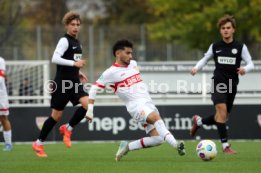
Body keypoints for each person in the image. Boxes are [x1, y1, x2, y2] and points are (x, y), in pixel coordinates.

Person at [85, 39, 185, 161]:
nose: (130, 56)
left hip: (148, 103)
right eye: (127, 53)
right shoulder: (110, 73)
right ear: (117, 53)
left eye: (131, 53)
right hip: (136, 107)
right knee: (155, 118)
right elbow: (93, 89)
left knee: (158, 139)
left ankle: (127, 147)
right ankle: (176, 145)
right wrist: (90, 110)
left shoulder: (133, 64)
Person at [190, 15, 254, 154]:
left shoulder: (240, 47)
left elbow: (251, 63)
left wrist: (245, 69)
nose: (226, 30)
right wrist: (196, 68)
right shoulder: (215, 46)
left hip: (232, 85)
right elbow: (205, 59)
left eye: (228, 28)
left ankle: (199, 122)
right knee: (222, 112)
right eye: (223, 28)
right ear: (220, 31)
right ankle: (225, 146)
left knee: (222, 117)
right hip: (218, 83)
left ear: (233, 30)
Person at [32, 11, 89, 158]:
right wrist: (74, 63)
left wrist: (78, 71)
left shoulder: (77, 42)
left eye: (78, 24)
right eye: (72, 24)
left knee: (88, 105)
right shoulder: (64, 41)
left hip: (74, 82)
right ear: (66, 25)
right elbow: (55, 58)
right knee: (55, 116)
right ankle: (38, 143)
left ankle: (68, 128)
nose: (76, 27)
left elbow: (72, 62)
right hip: (62, 83)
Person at [0, 56, 13, 151]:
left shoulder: (0, 60)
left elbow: (1, 78)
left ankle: (8, 144)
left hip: (1, 95)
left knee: (4, 119)